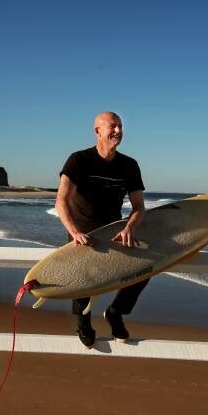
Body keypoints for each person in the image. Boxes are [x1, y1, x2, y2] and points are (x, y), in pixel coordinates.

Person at [56, 111, 149, 348]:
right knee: (83, 278)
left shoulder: (129, 165)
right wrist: (74, 232)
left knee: (145, 268)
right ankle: (83, 321)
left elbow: (139, 207)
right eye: (112, 126)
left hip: (114, 230)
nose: (118, 131)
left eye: (120, 126)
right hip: (82, 230)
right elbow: (62, 201)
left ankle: (116, 312)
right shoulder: (79, 160)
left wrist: (130, 227)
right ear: (98, 131)